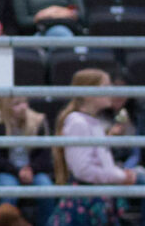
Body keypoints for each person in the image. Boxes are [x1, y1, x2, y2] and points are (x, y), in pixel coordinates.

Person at [48, 69, 145, 225]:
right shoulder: (78, 122)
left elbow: (102, 161)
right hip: (85, 199)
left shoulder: (92, 121)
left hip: (96, 195)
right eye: (105, 86)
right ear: (88, 94)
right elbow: (83, 170)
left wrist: (120, 174)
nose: (111, 91)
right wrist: (120, 177)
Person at [0, 96, 55, 226]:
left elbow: (45, 155)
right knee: (8, 191)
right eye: (17, 104)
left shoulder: (38, 122)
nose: (23, 107)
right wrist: (17, 172)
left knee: (47, 189)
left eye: (25, 102)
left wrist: (31, 169)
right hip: (7, 171)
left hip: (33, 171)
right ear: (5, 108)